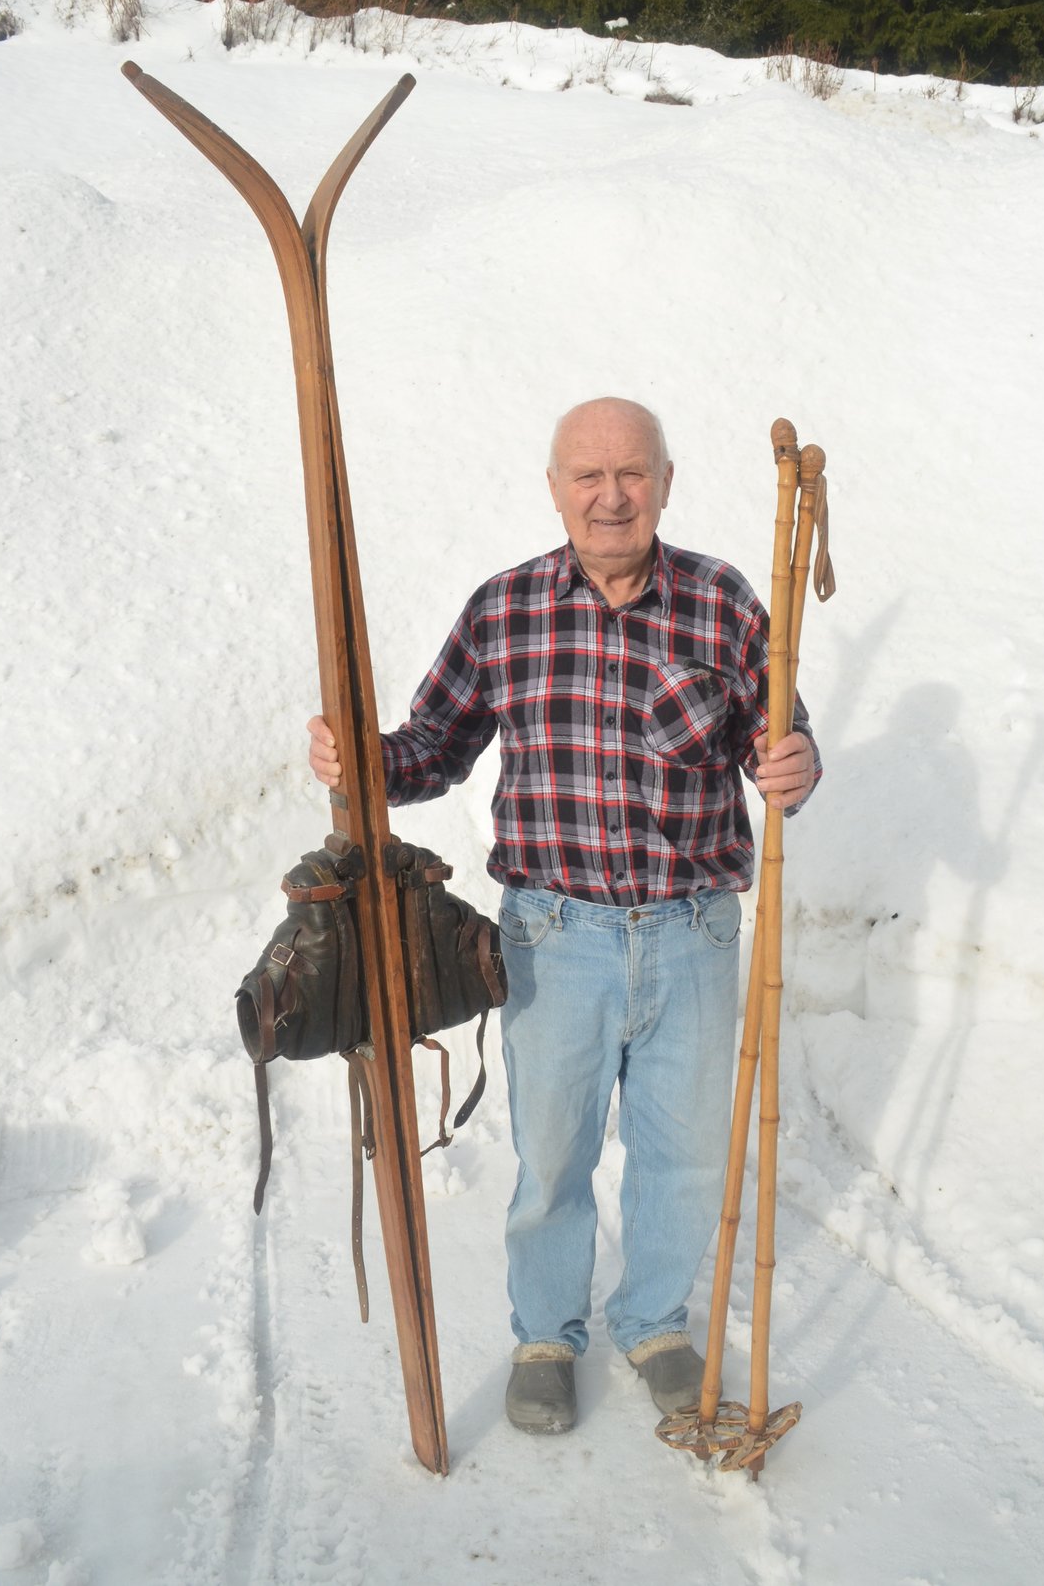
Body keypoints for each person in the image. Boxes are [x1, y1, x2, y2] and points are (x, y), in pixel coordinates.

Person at [307, 396, 820, 1434]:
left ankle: (656, 1322)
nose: (611, 494)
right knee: (554, 1155)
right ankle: (547, 1333)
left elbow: (782, 742)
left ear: (665, 483)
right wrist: (361, 758)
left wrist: (794, 766)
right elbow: (432, 749)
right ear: (556, 489)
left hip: (694, 932)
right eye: (588, 476)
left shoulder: (725, 601)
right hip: (555, 936)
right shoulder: (505, 609)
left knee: (683, 1154)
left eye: (631, 473)